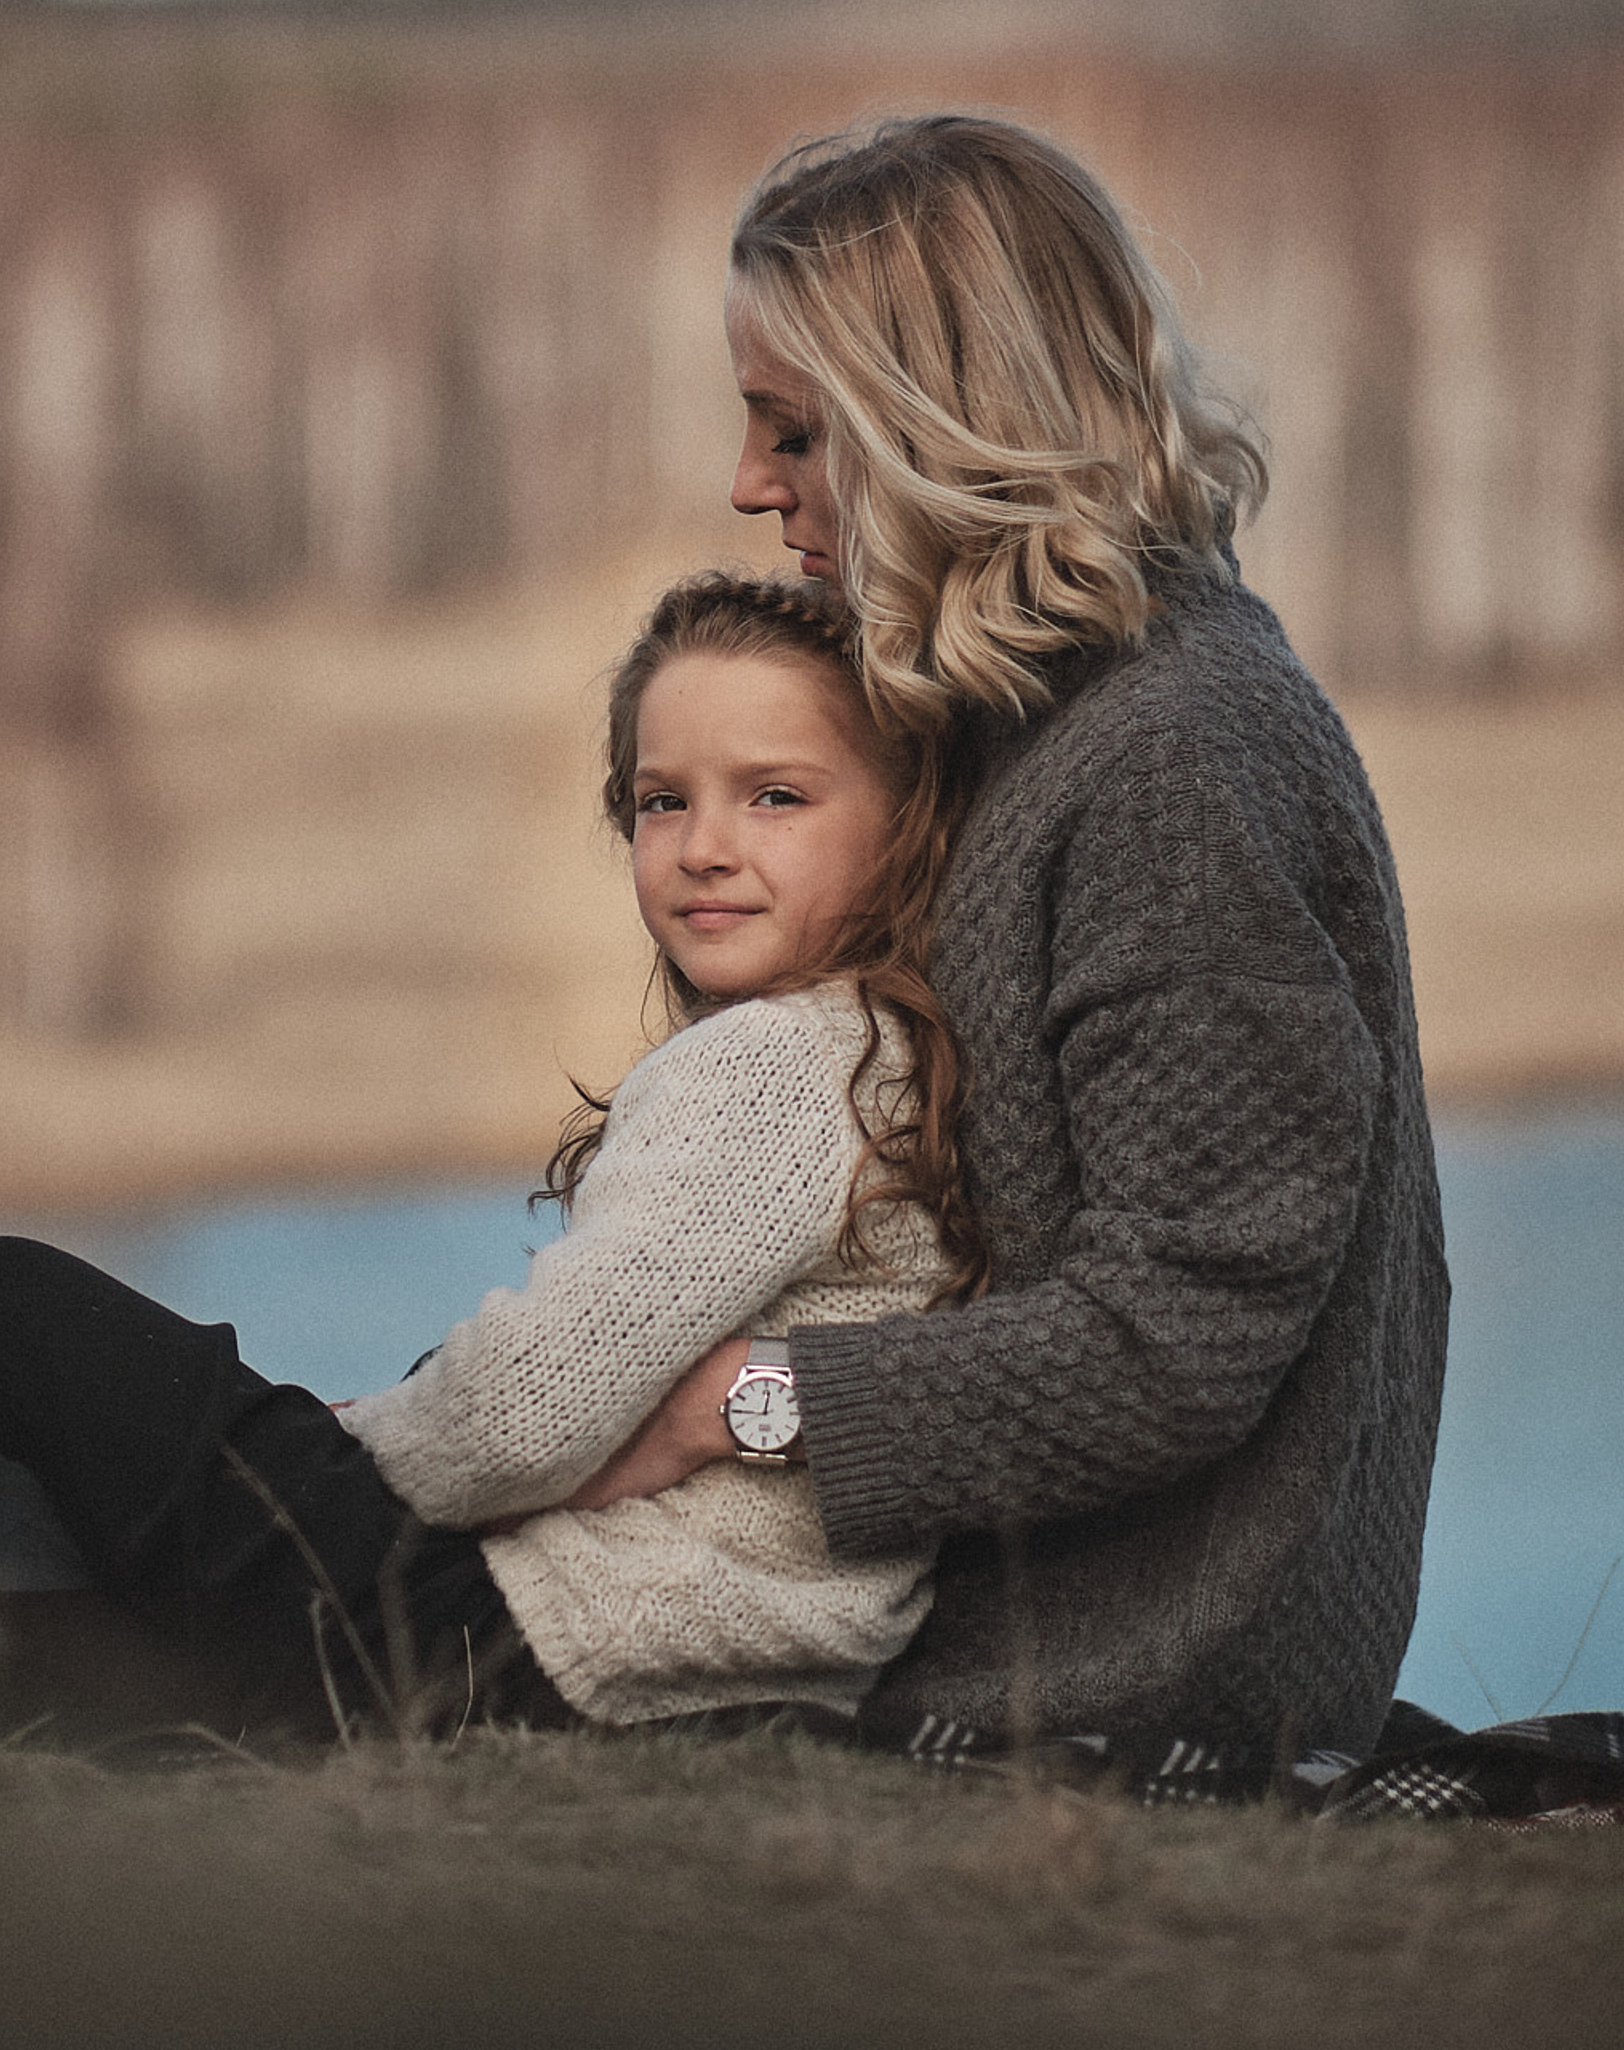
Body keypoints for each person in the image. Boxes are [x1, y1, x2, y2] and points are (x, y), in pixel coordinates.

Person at [0, 575, 983, 1747]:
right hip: (581, 1677)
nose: (702, 845)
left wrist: (326, 1451)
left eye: (775, 796)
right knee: (2, 1660)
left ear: (900, 823)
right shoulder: (867, 1065)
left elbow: (522, 1418)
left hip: (496, 1631)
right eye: (657, 799)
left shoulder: (786, 1063)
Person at [592, 114, 1448, 1782]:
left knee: (44, 1377)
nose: (750, 486)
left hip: (1128, 1667)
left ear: (942, 431)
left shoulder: (1177, 754)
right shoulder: (1029, 714)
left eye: (793, 431)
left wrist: (734, 1408)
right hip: (973, 1612)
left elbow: (1178, 1328)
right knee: (109, 1421)